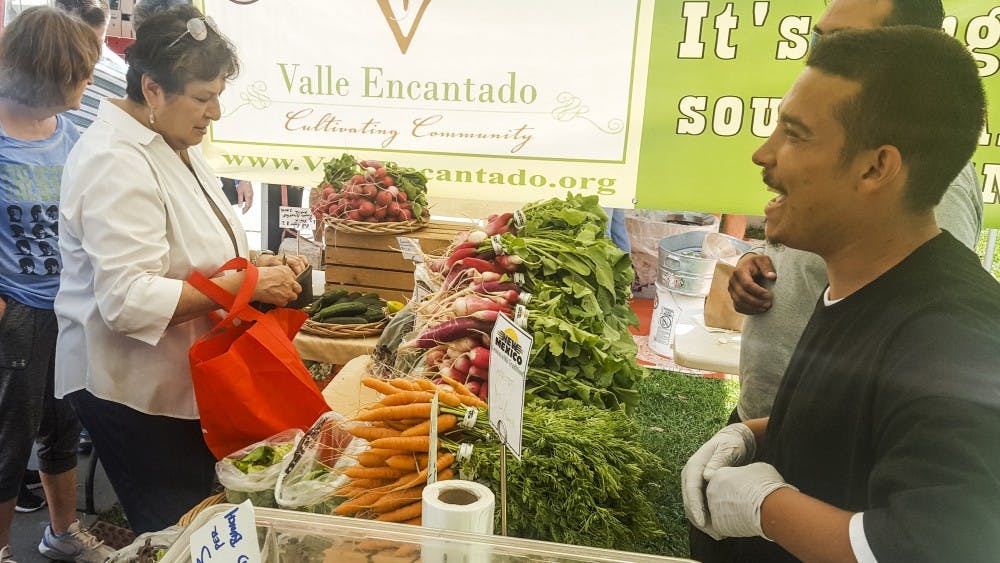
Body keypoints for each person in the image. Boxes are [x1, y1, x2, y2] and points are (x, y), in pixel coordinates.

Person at [682, 26, 997, 562]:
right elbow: (867, 421)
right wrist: (758, 435)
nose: (763, 155)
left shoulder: (952, 334)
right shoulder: (858, 285)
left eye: (795, 134)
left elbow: (940, 546)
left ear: (877, 167)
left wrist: (767, 509)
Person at [54, 4, 307, 534]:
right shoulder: (114, 160)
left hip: (183, 379)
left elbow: (192, 245)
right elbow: (127, 301)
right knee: (175, 528)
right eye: (202, 97)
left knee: (201, 518)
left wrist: (256, 261)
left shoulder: (170, 140)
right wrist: (244, 284)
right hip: (132, 391)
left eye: (217, 95)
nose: (214, 112)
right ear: (152, 89)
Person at [728, 0, 983, 424]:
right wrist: (759, 262)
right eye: (819, 38)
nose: (821, 54)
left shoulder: (933, 185)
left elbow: (917, 310)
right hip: (776, 421)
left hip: (829, 434)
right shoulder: (844, 148)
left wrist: (763, 493)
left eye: (844, 41)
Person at [0, 7, 114, 563]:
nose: (88, 84)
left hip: (68, 308)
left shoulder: (74, 134)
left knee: (63, 423)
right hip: (16, 313)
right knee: (7, 443)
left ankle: (61, 532)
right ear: (48, 73)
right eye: (80, 74)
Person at [55, 0, 128, 132]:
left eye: (96, 45)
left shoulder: (126, 80)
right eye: (78, 43)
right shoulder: (37, 64)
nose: (87, 54)